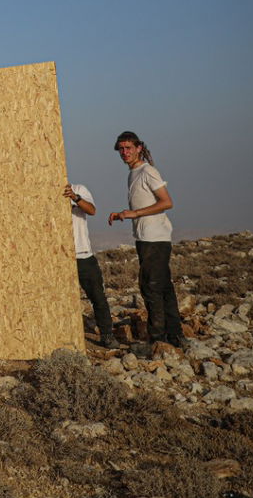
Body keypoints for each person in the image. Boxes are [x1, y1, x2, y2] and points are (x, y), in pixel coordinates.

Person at [107, 131, 184, 354]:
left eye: (128, 147)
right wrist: (125, 215)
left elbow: (167, 202)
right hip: (145, 238)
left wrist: (134, 213)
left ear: (139, 147)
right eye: (121, 149)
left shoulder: (148, 171)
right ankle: (175, 335)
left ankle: (158, 340)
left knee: (151, 288)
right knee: (164, 287)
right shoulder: (133, 173)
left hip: (155, 238)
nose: (124, 152)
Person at [63, 183, 118, 348]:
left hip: (83, 255)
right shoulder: (44, 191)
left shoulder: (79, 189)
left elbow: (92, 210)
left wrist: (74, 197)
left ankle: (107, 335)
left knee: (97, 297)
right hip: (59, 259)